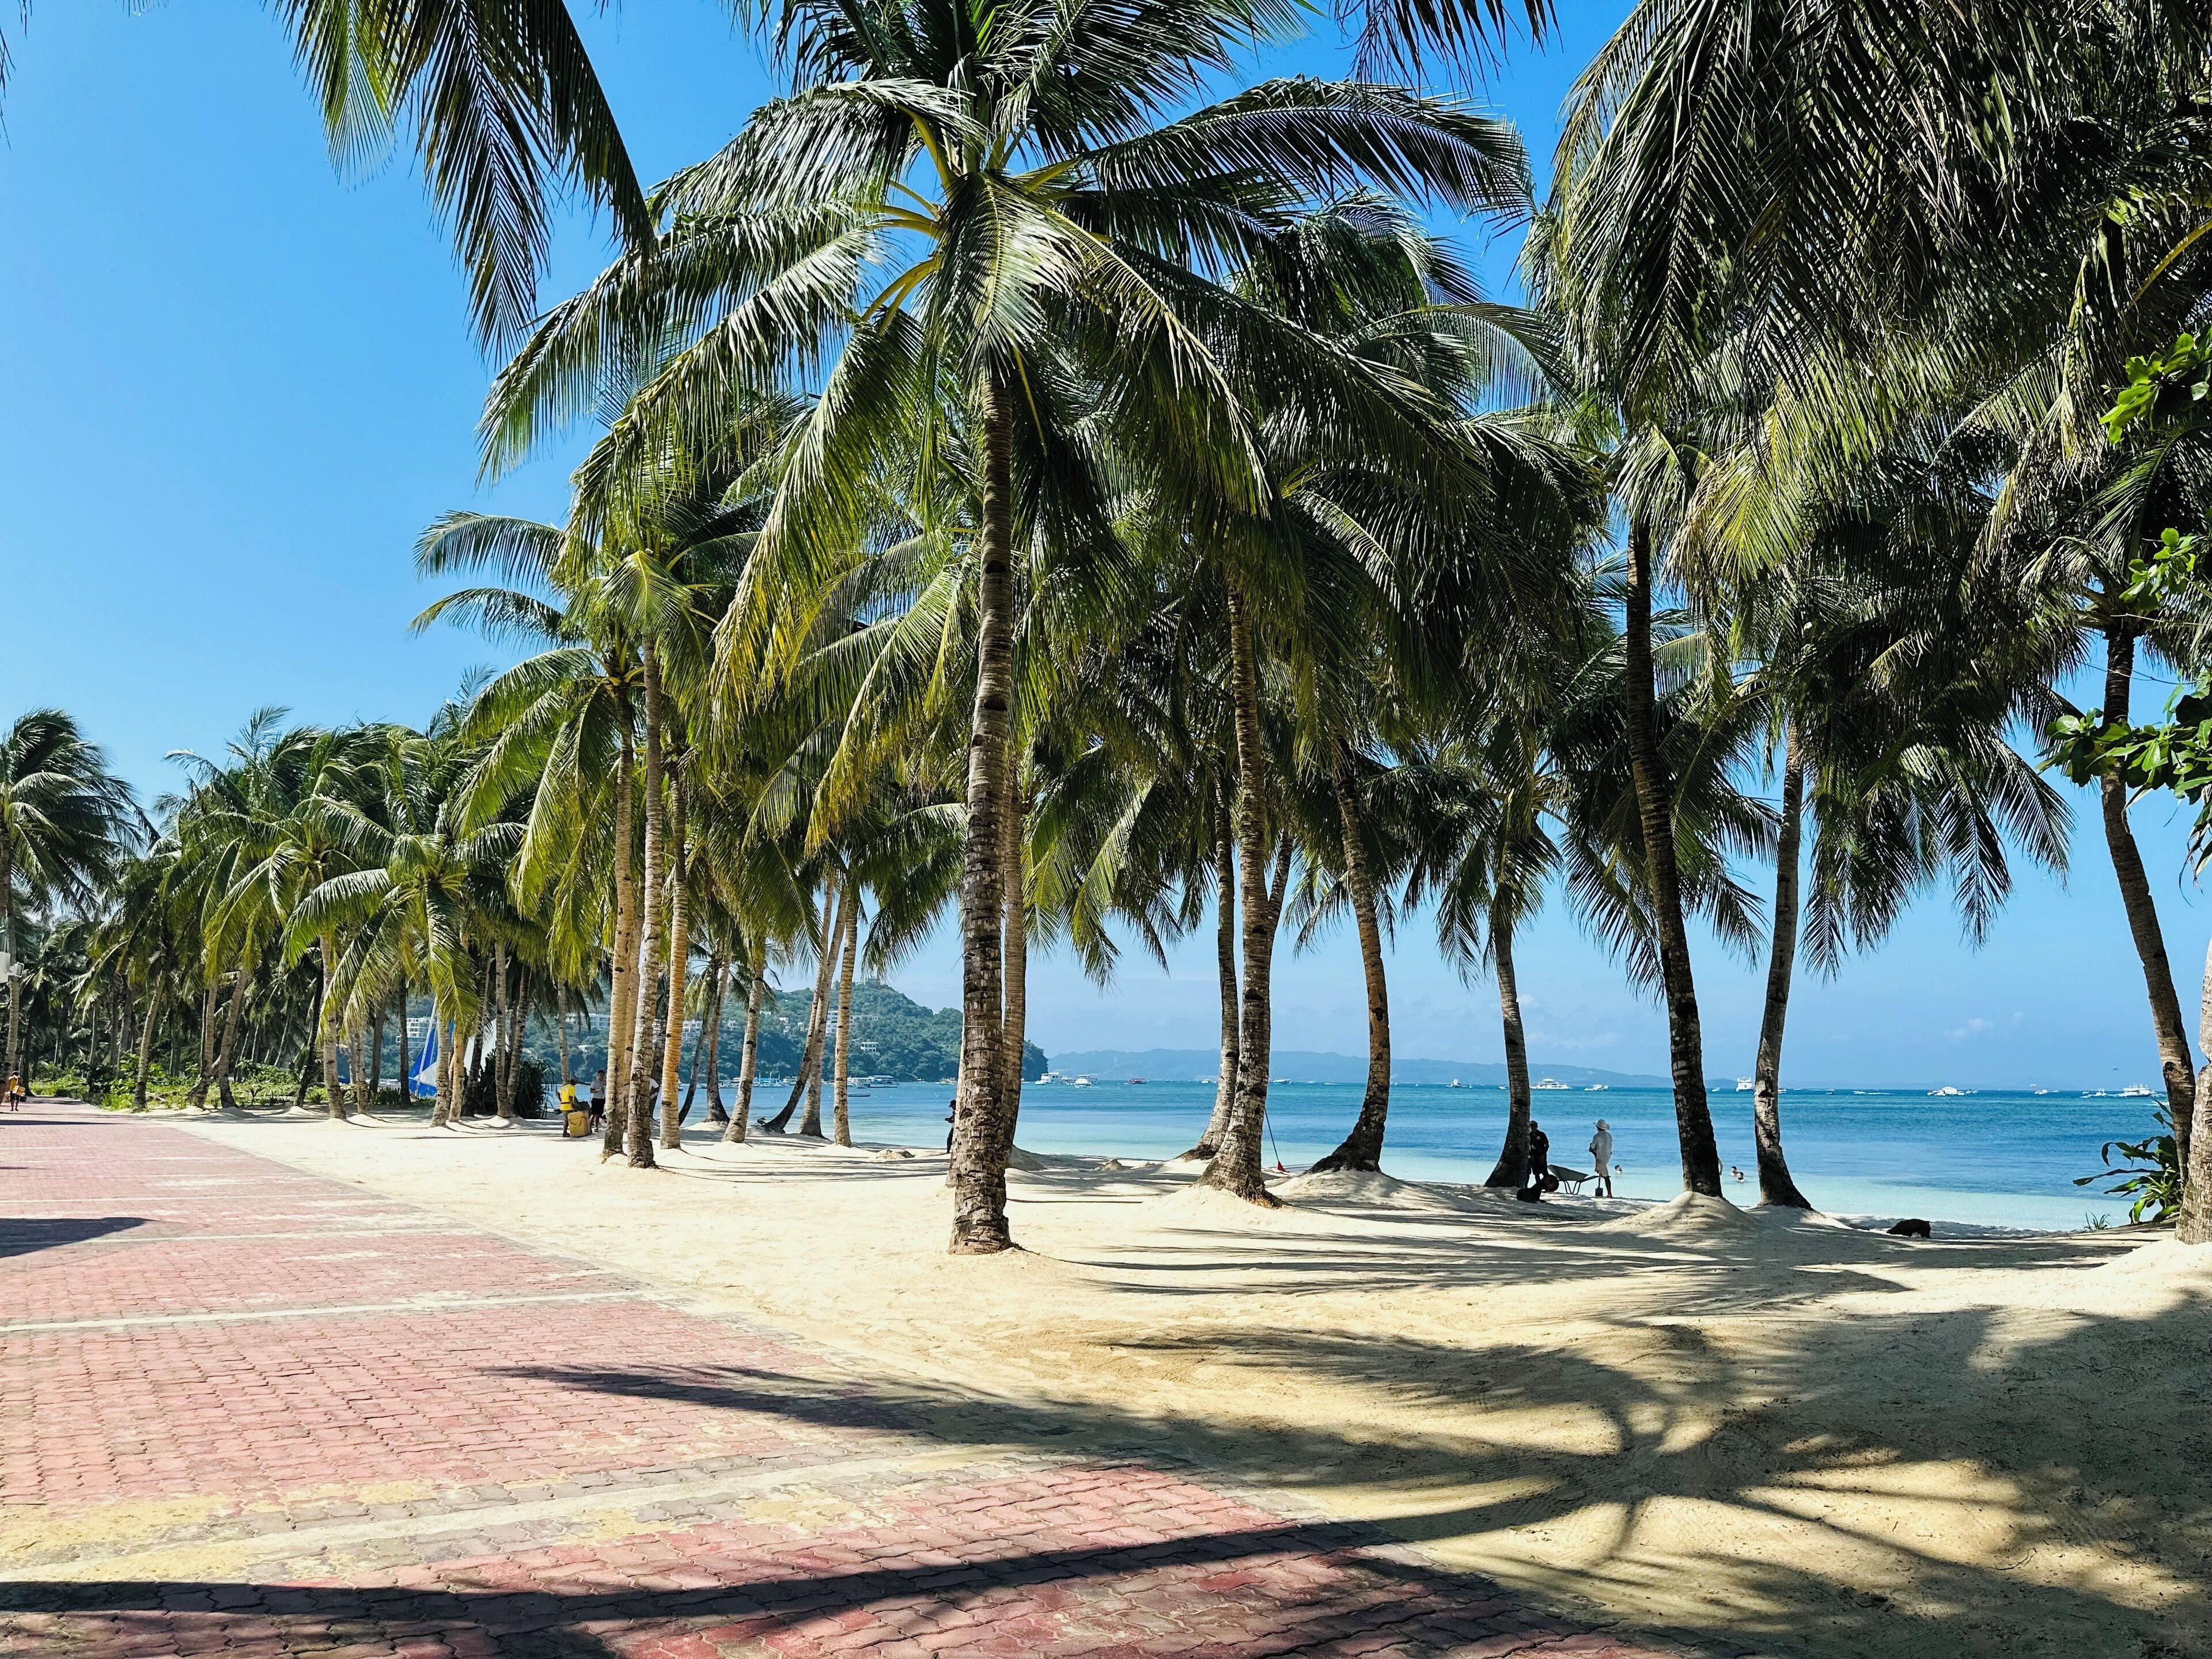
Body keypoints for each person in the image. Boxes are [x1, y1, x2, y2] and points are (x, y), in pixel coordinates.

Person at [1518, 1119, 1550, 1202]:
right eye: (1532, 1126)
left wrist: (1543, 1155)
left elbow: (1547, 1145)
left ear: (1537, 1126)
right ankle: (1538, 1186)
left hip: (1541, 1155)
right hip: (1533, 1156)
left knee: (1545, 1172)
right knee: (1536, 1173)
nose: (1533, 1128)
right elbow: (1527, 1146)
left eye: (1535, 1126)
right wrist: (1531, 1155)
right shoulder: (1529, 1135)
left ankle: (1547, 1188)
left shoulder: (1542, 1134)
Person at [1588, 1119, 1615, 1198]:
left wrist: (1593, 1148)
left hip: (1601, 1158)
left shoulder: (1597, 1137)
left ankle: (1610, 1194)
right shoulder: (1609, 1136)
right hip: (1608, 1156)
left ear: (1598, 1128)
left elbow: (1592, 1148)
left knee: (1606, 1177)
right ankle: (1599, 1170)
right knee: (1603, 1171)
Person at [588, 1070, 607, 1135]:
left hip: (602, 1100)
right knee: (593, 1114)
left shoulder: (604, 1083)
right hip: (596, 1100)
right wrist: (598, 1090)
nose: (602, 1076)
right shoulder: (595, 1083)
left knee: (599, 1115)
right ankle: (589, 1128)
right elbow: (591, 1091)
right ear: (598, 1075)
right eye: (600, 1075)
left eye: (603, 1075)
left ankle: (596, 1127)